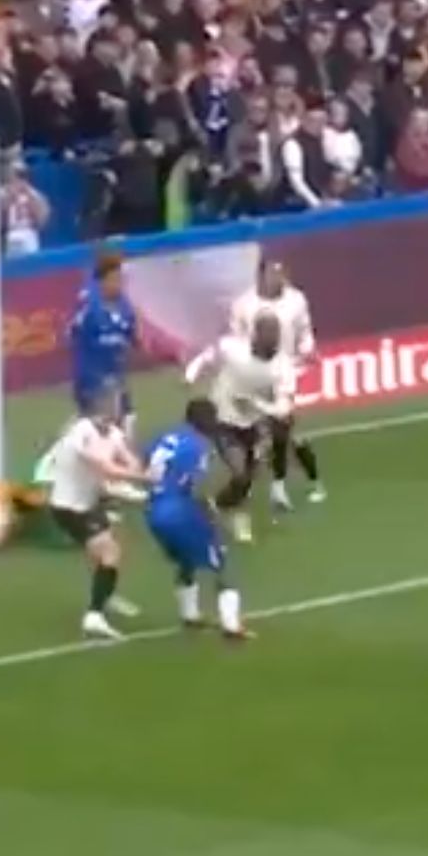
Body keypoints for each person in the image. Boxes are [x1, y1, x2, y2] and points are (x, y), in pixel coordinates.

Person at [42, 393, 149, 640]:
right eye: (110, 407)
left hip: (89, 504)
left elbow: (128, 457)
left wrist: (137, 468)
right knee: (109, 552)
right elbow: (105, 467)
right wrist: (144, 479)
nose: (115, 413)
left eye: (116, 408)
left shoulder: (112, 432)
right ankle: (94, 616)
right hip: (68, 507)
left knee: (104, 553)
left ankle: (104, 596)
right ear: (93, 411)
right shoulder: (80, 434)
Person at [145, 397, 247, 640]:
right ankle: (231, 625)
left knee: (186, 560)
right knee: (221, 561)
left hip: (154, 512)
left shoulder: (165, 438)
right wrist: (212, 511)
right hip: (180, 510)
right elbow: (195, 488)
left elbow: (146, 468)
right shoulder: (198, 446)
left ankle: (189, 614)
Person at [183, 315, 285, 543]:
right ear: (256, 334)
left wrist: (260, 410)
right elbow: (208, 356)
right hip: (222, 418)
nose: (273, 338)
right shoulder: (234, 349)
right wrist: (191, 375)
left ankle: (216, 508)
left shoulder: (280, 366)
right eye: (268, 332)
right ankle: (224, 512)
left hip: (252, 424)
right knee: (240, 473)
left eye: (276, 333)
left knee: (248, 478)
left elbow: (282, 405)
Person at [232, 259, 322, 509]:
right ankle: (308, 480)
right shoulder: (244, 305)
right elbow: (237, 339)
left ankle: (278, 488)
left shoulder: (296, 300)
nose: (278, 280)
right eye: (273, 274)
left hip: (285, 373)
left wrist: (308, 350)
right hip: (255, 373)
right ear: (261, 276)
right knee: (258, 433)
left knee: (282, 427)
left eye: (282, 274)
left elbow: (305, 332)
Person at [69, 247, 141, 435]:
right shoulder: (88, 306)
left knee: (127, 420)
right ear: (103, 280)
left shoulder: (124, 305)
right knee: (100, 428)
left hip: (115, 375)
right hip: (92, 378)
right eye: (115, 278)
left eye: (121, 279)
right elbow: (73, 333)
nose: (119, 283)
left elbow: (132, 335)